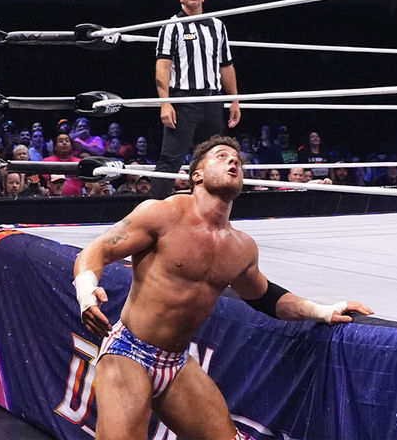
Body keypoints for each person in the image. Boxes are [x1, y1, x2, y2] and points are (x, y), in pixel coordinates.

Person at [72, 136, 371, 440]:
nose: (233, 162)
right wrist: (86, 290)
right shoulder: (163, 214)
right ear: (197, 175)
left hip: (175, 364)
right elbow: (98, 249)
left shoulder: (241, 247)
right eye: (222, 156)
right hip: (129, 352)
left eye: (237, 161)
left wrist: (323, 311)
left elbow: (267, 298)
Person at [152, 0, 242, 199]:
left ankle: (208, 208)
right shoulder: (171, 26)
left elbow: (226, 66)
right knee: (171, 157)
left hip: (212, 100)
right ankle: (155, 212)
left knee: (211, 158)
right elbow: (162, 66)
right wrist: (165, 102)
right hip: (183, 100)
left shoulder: (218, 26)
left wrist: (234, 100)